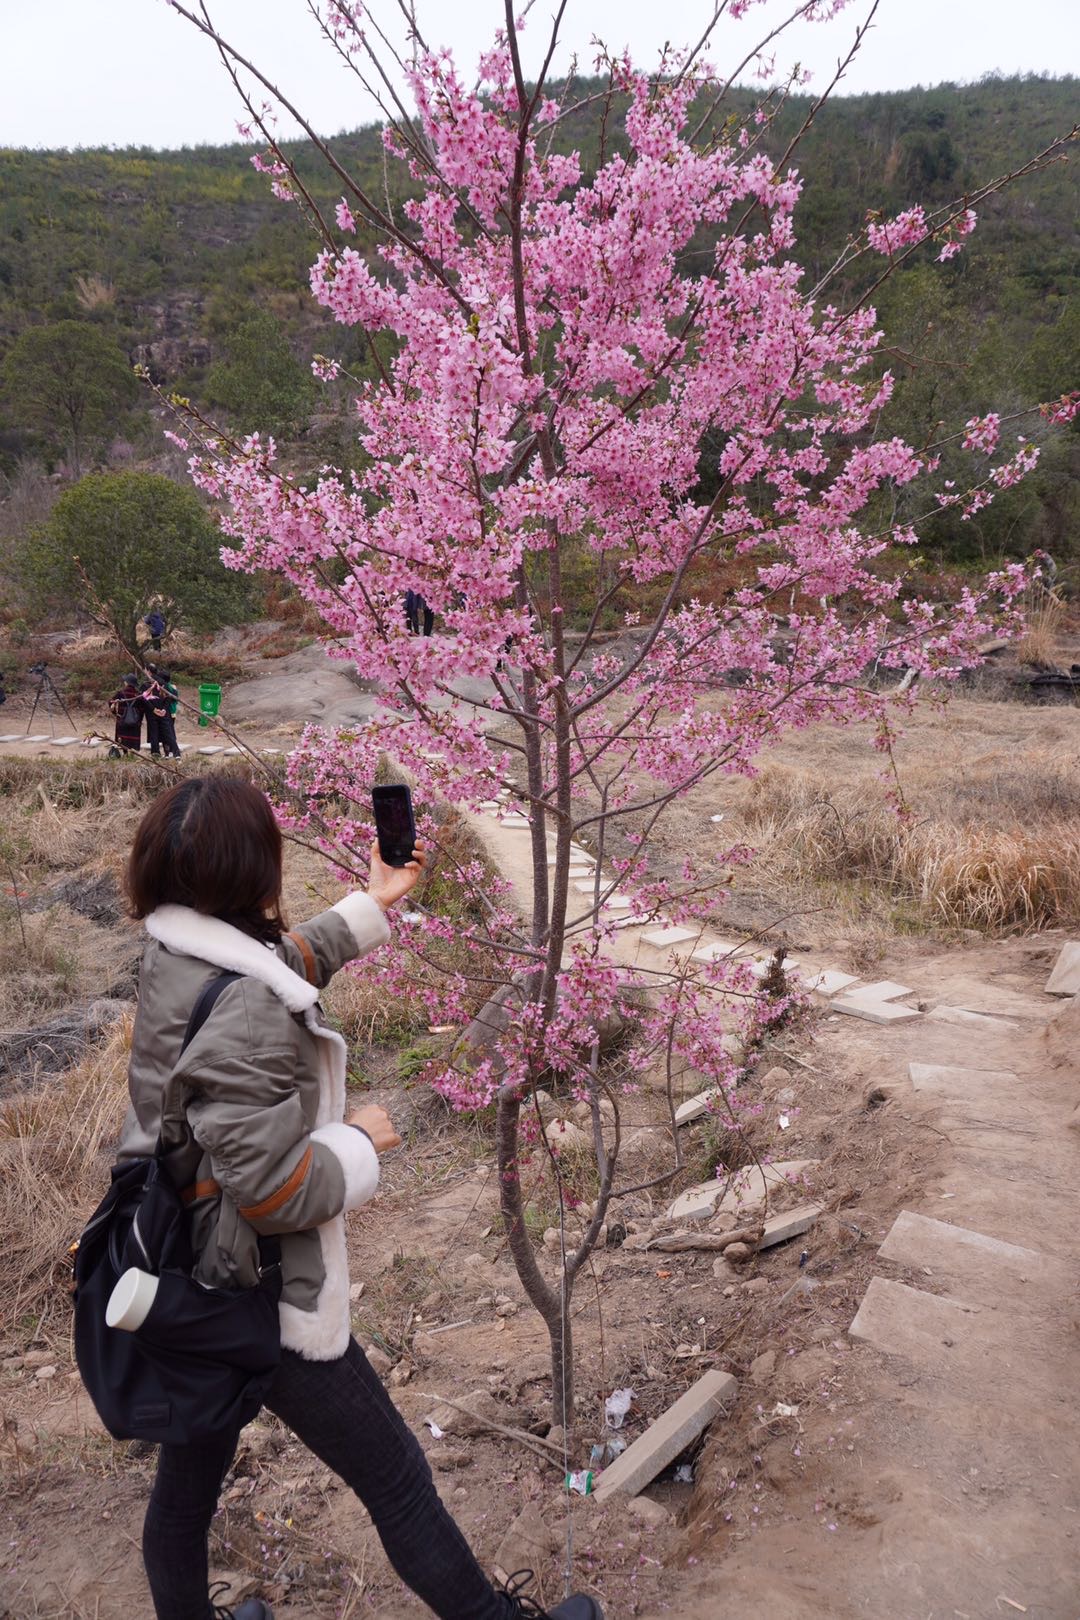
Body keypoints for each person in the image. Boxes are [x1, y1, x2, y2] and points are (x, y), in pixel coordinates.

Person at [118, 776, 602, 1620]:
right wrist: (358, 1142)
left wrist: (371, 906)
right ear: (253, 872)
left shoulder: (176, 954)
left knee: (186, 1491)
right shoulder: (242, 1011)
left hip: (184, 1269)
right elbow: (272, 1193)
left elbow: (264, 974)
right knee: (397, 1479)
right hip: (257, 1293)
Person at [143, 666, 181, 759]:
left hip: (152, 713)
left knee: (154, 733)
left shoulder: (146, 683)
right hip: (164, 712)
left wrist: (153, 709)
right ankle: (176, 753)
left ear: (148, 671)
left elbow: (143, 699)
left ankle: (156, 754)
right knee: (168, 732)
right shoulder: (163, 683)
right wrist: (164, 709)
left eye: (145, 670)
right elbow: (168, 697)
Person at [109, 674, 144, 755]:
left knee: (122, 738)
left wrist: (116, 714)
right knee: (132, 738)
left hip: (122, 720)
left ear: (127, 683)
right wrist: (139, 720)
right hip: (135, 722)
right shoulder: (138, 695)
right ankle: (132, 754)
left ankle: (125, 753)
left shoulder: (121, 693)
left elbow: (111, 702)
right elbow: (142, 709)